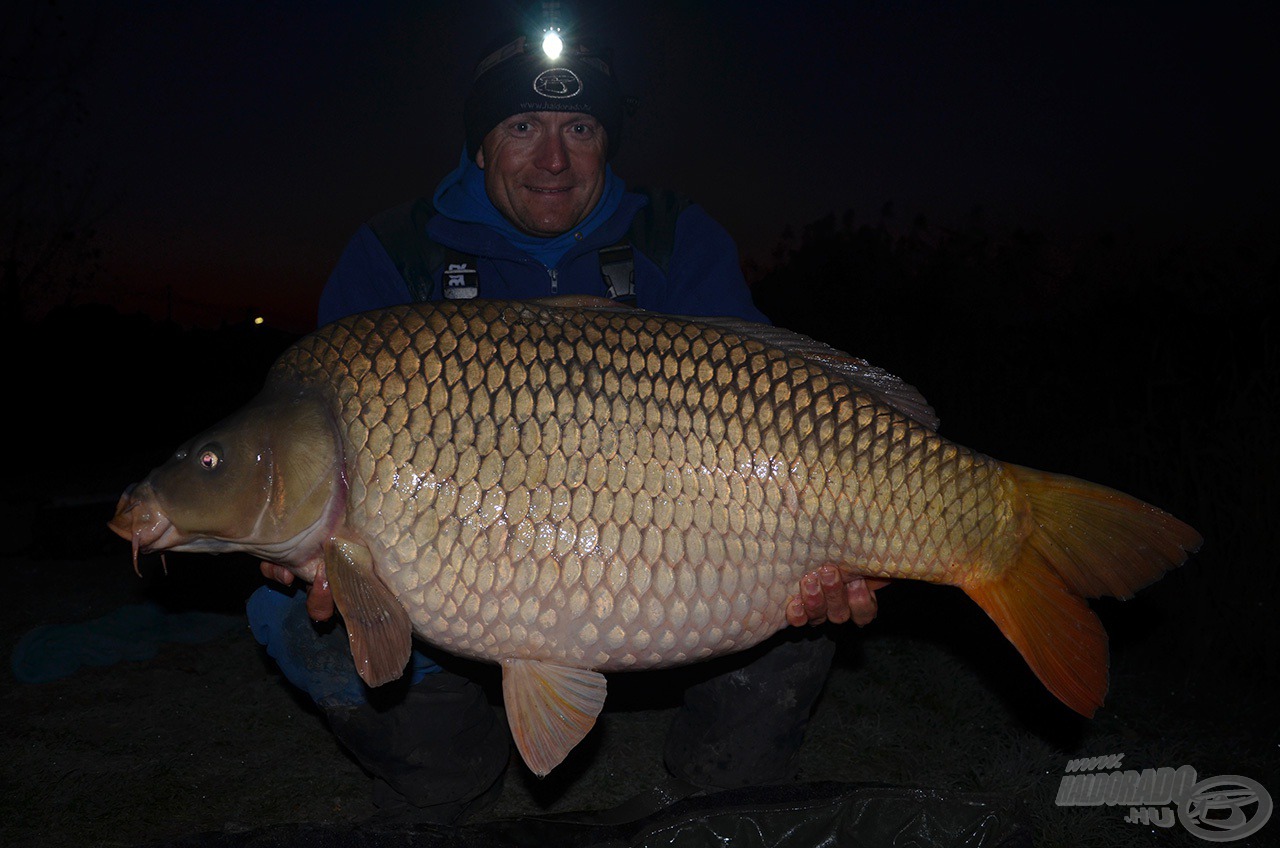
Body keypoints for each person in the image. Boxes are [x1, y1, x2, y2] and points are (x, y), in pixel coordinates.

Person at [247, 30, 883, 824]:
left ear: (607, 143)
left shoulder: (671, 237)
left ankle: (726, 785)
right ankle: (443, 770)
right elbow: (317, 442)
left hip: (679, 563)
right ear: (479, 146)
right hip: (450, 586)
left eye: (580, 129)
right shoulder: (393, 255)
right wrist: (296, 540)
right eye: (522, 128)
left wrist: (844, 543)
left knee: (804, 586)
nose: (554, 160)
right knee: (289, 616)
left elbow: (775, 411)